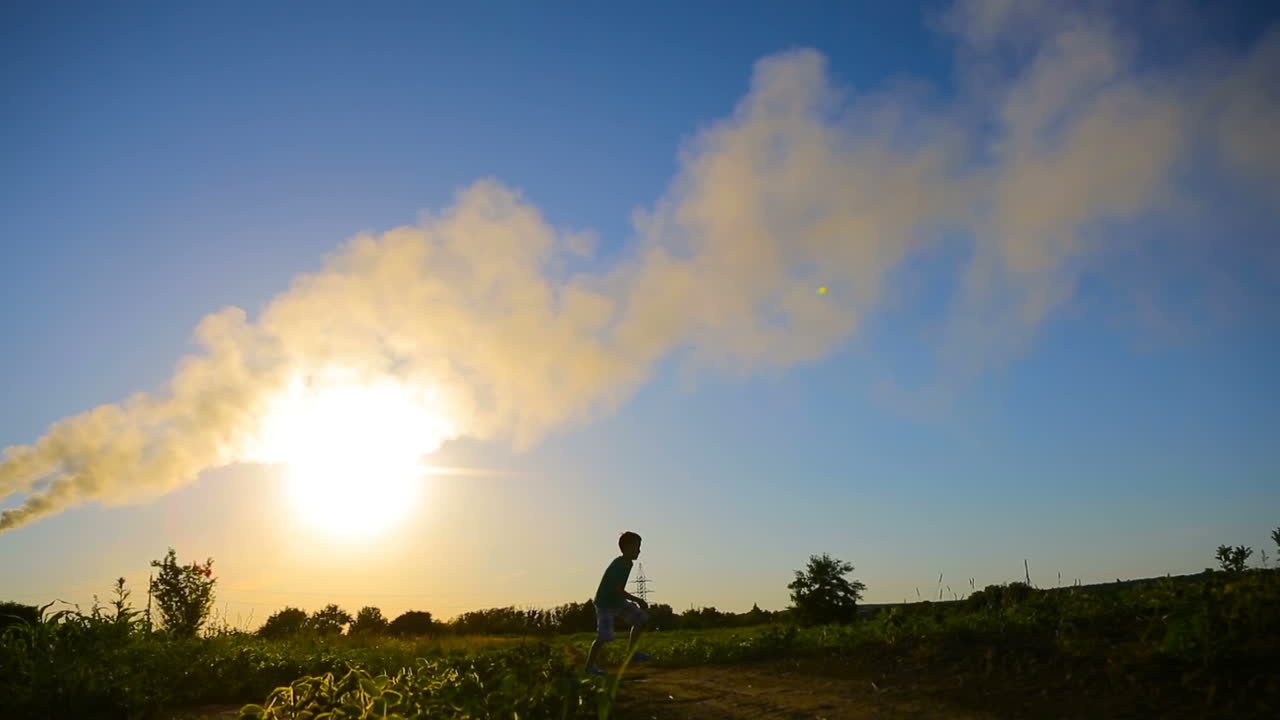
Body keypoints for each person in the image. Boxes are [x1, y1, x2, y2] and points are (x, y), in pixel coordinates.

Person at [584, 530, 651, 675]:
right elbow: (618, 589)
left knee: (641, 619)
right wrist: (638, 599)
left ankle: (632, 654)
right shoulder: (619, 563)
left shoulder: (628, 564)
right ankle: (589, 668)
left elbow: (618, 591)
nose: (639, 550)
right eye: (637, 547)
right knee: (604, 636)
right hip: (605, 602)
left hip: (616, 600)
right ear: (627, 548)